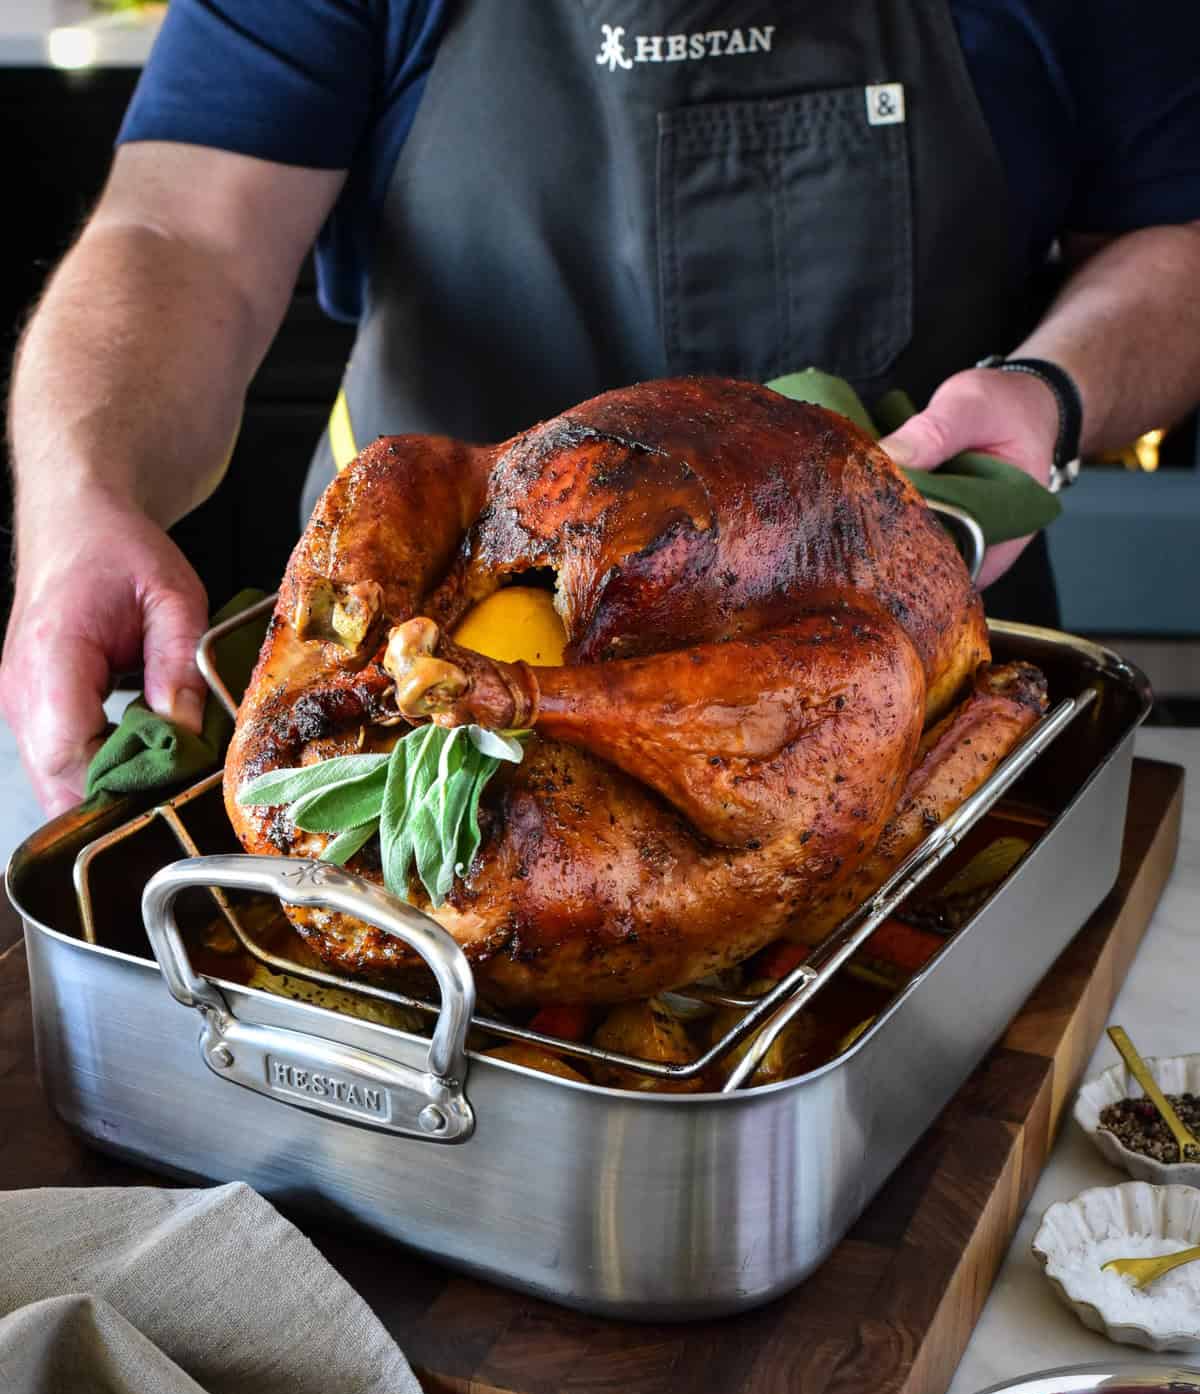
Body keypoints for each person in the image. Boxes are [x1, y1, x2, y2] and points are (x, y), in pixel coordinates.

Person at [4, 1, 1200, 816]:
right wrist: (83, 493)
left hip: (901, 672)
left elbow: (1171, 241)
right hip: (430, 671)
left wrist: (1057, 386)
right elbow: (180, 234)